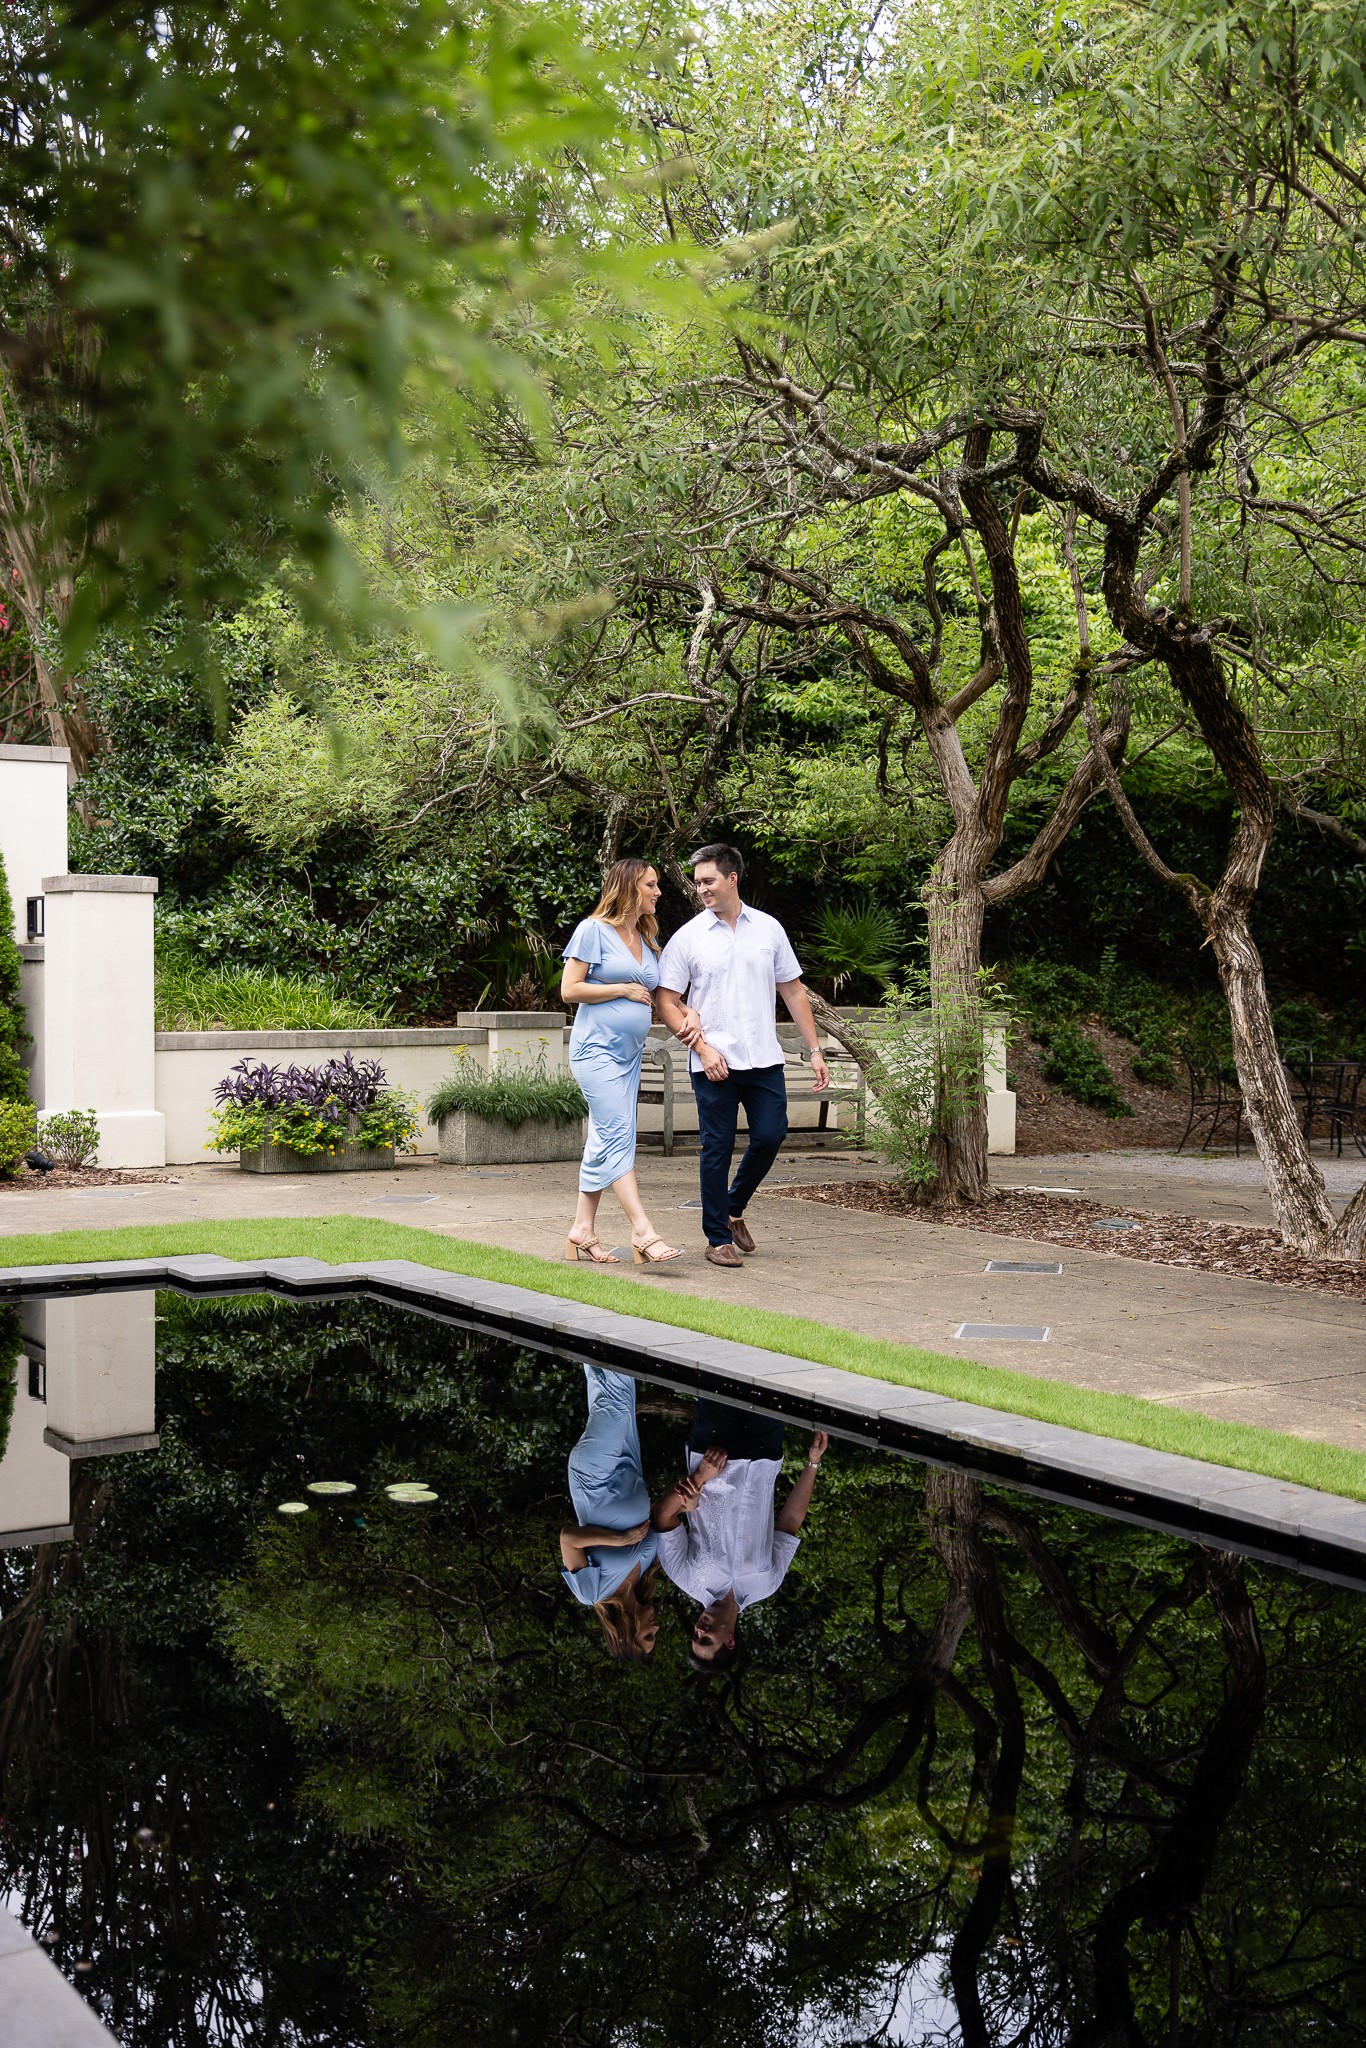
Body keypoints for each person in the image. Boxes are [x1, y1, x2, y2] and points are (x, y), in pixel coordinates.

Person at [655, 843, 829, 1268]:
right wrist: (701, 1048)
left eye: (708, 880)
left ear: (732, 878)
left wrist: (815, 1050)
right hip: (713, 1061)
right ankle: (717, 1239)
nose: (701, 889)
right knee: (717, 1146)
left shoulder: (769, 929)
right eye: (697, 883)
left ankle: (733, 1207)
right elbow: (666, 1001)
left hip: (763, 1057)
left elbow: (793, 991)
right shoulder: (688, 937)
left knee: (771, 1135)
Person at [561, 857, 683, 1266]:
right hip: (595, 1052)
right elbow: (569, 990)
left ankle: (582, 1230)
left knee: (606, 1137)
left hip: (627, 1057)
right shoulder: (593, 930)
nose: (658, 892)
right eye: (651, 885)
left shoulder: (646, 936)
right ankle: (643, 1232)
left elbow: (663, 994)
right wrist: (621, 990)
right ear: (630, 887)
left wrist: (690, 1014)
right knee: (617, 1134)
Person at [651, 1398, 829, 1669]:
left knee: (721, 1377)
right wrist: (813, 1463)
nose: (699, 1630)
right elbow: (790, 1522)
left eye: (695, 1636)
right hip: (764, 1457)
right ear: (730, 1641)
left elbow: (662, 1515)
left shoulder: (685, 1578)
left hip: (712, 1453)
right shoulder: (766, 1585)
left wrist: (701, 1476)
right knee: (771, 1386)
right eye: (706, 1640)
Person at [559, 1365, 661, 1660]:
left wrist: (620, 1540)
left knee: (616, 1400)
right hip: (630, 1467)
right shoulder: (644, 1581)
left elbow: (568, 1539)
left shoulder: (592, 1593)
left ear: (628, 1633)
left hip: (594, 1480)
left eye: (648, 1635)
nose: (655, 1628)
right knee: (616, 1387)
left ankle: (612, 1339)